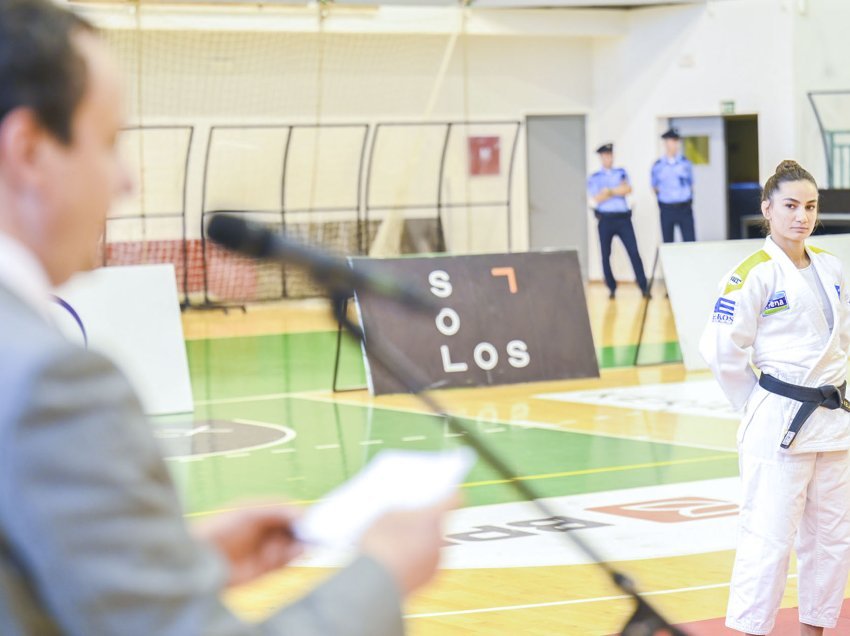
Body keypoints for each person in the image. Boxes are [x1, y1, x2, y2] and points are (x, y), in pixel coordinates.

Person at [0, 1, 453, 634]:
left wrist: (174, 563)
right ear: (28, 149)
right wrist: (383, 573)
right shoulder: (48, 383)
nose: (125, 181)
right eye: (107, 143)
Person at [700, 160, 850, 636]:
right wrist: (757, 402)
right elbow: (721, 350)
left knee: (831, 539)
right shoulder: (754, 274)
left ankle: (815, 630)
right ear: (767, 209)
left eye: (809, 206)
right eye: (789, 206)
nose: (801, 216)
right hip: (779, 419)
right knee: (768, 539)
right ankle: (750, 630)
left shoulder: (831, 266)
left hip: (834, 419)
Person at [587, 143, 649, 299]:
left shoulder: (621, 173)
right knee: (605, 255)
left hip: (623, 219)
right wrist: (616, 191)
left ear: (612, 156)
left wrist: (609, 191)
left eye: (609, 155)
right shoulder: (595, 178)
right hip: (605, 220)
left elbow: (627, 189)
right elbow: (596, 199)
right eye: (605, 155)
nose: (607, 158)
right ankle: (612, 288)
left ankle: (643, 286)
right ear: (601, 157)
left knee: (634, 252)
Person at [651, 128, 695, 243]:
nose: (675, 144)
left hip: (684, 208)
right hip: (667, 209)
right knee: (668, 244)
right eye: (672, 141)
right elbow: (655, 187)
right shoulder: (658, 165)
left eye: (677, 141)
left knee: (690, 242)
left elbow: (691, 184)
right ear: (666, 143)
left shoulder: (685, 163)